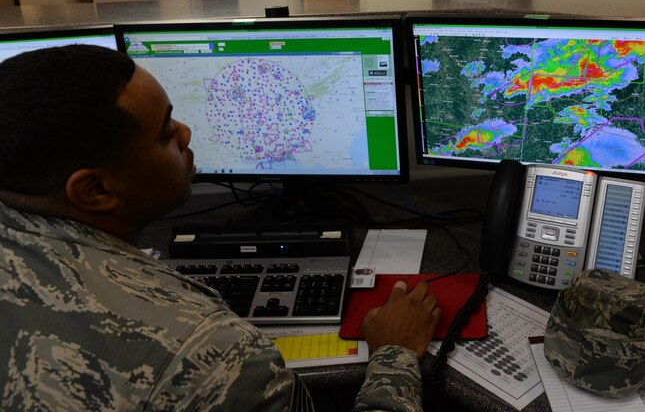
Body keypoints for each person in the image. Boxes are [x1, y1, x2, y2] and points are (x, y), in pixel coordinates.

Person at [0, 45, 442, 412]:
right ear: (94, 190)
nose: (187, 133)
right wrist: (395, 355)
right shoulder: (211, 355)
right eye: (165, 132)